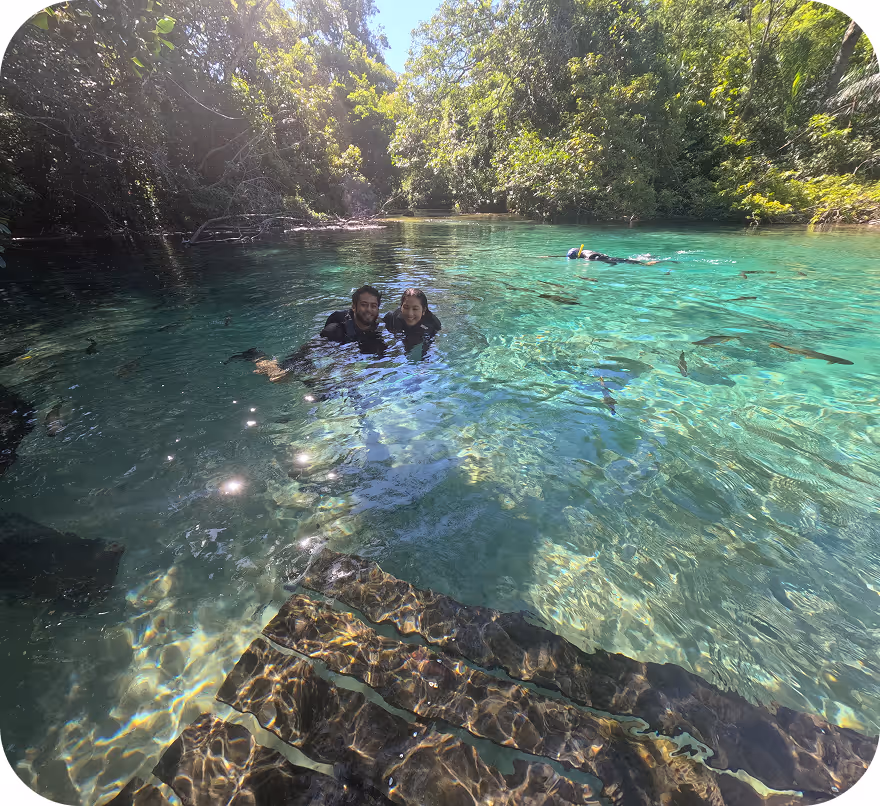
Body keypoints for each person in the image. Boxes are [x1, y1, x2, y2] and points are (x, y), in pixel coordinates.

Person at [566, 246, 655, 265]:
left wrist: (610, 263)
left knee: (626, 261)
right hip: (605, 257)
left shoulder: (587, 256)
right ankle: (646, 258)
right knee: (626, 260)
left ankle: (645, 263)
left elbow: (597, 258)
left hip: (605, 258)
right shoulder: (585, 252)